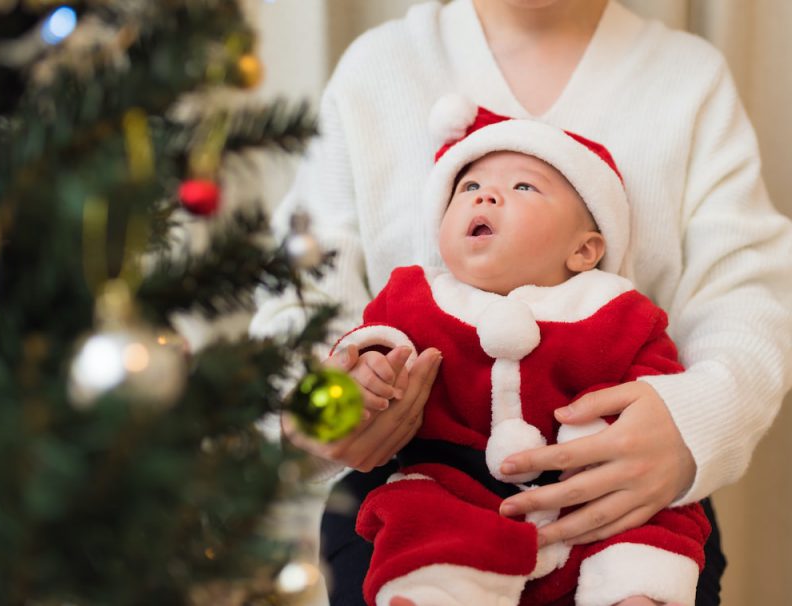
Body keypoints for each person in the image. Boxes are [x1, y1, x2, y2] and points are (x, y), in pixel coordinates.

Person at [250, 1, 792, 604]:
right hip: (409, 492)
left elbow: (747, 286)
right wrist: (320, 408)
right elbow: (302, 281)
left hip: (630, 487)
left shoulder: (686, 79)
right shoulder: (379, 69)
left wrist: (697, 422)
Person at [330, 100, 710, 606]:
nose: (485, 195)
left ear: (584, 251)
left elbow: (657, 389)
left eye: (523, 186)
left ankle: (634, 591)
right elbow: (374, 338)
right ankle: (434, 593)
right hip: (455, 483)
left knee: (659, 515)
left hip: (591, 482)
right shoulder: (416, 295)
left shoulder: (618, 309)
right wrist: (370, 370)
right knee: (416, 512)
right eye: (468, 188)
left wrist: (623, 426)